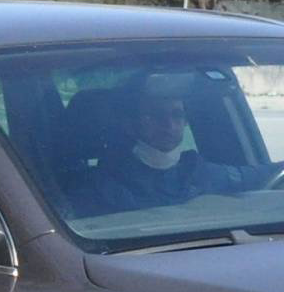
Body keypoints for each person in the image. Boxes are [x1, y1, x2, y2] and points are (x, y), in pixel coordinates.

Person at [89, 73, 267, 212]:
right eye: (154, 115)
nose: (169, 125)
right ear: (129, 124)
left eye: (177, 115)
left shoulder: (201, 171)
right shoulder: (102, 186)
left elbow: (264, 175)